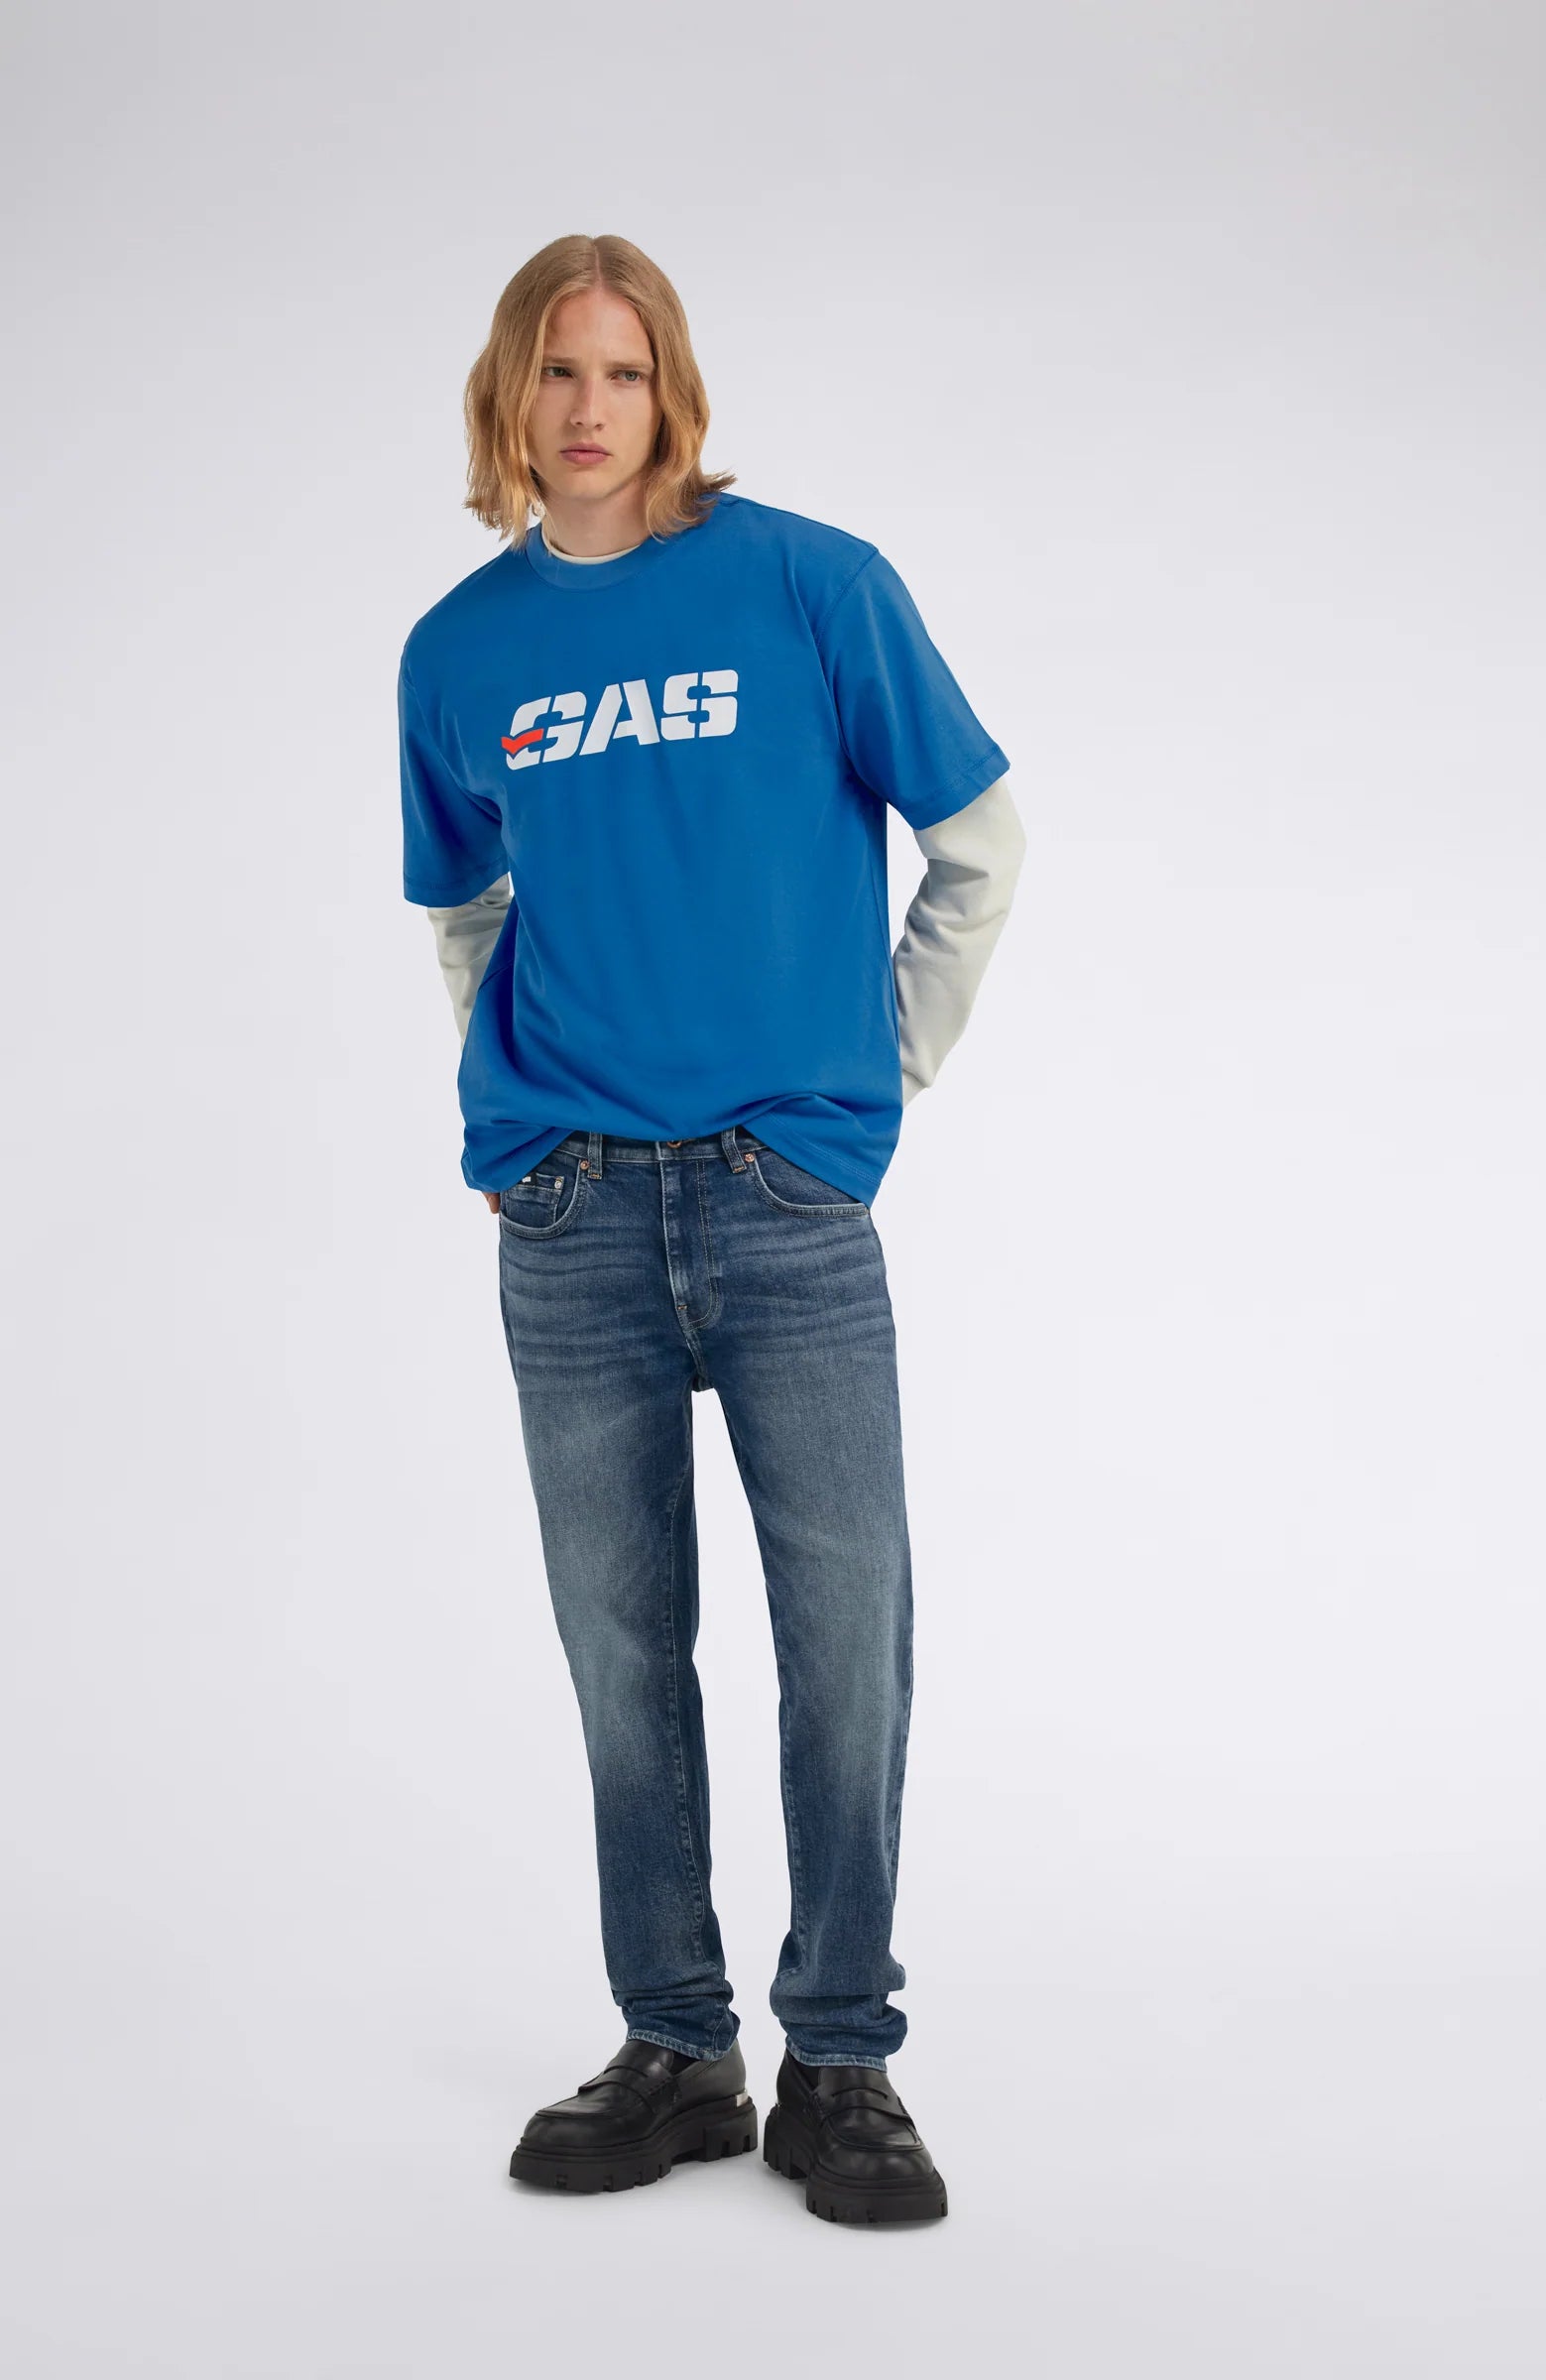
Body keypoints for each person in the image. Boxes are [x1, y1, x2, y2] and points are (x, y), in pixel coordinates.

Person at [398, 233, 1024, 2224]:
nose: (588, 408)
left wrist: (873, 1083)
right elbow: (464, 905)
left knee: (846, 1642)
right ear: (506, 397)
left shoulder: (810, 586)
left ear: (672, 391)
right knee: (619, 1647)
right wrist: (511, 1111)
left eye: (623, 370)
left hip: (782, 1199)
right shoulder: (458, 650)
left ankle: (840, 2060)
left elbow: (979, 841)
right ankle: (676, 2044)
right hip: (569, 1213)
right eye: (554, 371)